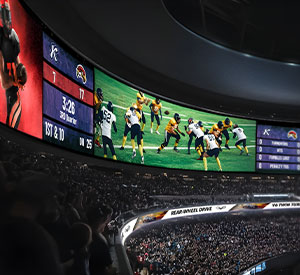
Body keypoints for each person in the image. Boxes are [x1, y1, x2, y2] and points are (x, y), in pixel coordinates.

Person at [0, 0, 27, 129]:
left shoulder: (13, 36)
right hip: (10, 95)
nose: (7, 22)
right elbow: (5, 82)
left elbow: (18, 63)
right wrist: (16, 81)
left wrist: (20, 76)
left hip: (14, 99)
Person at [87, 204, 116, 275]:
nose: (107, 223)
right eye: (105, 221)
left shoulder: (86, 232)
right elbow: (109, 268)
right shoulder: (100, 242)